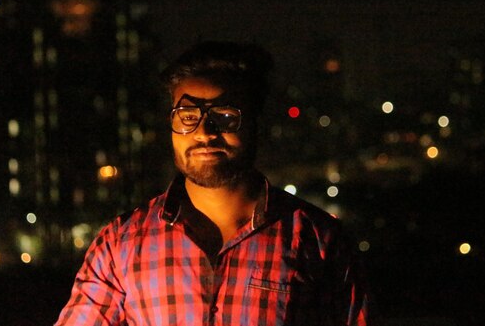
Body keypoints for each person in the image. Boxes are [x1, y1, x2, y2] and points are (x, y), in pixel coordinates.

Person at [55, 41, 374, 326]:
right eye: (188, 115)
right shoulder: (121, 247)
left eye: (224, 115)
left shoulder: (318, 242)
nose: (205, 133)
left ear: (255, 123)